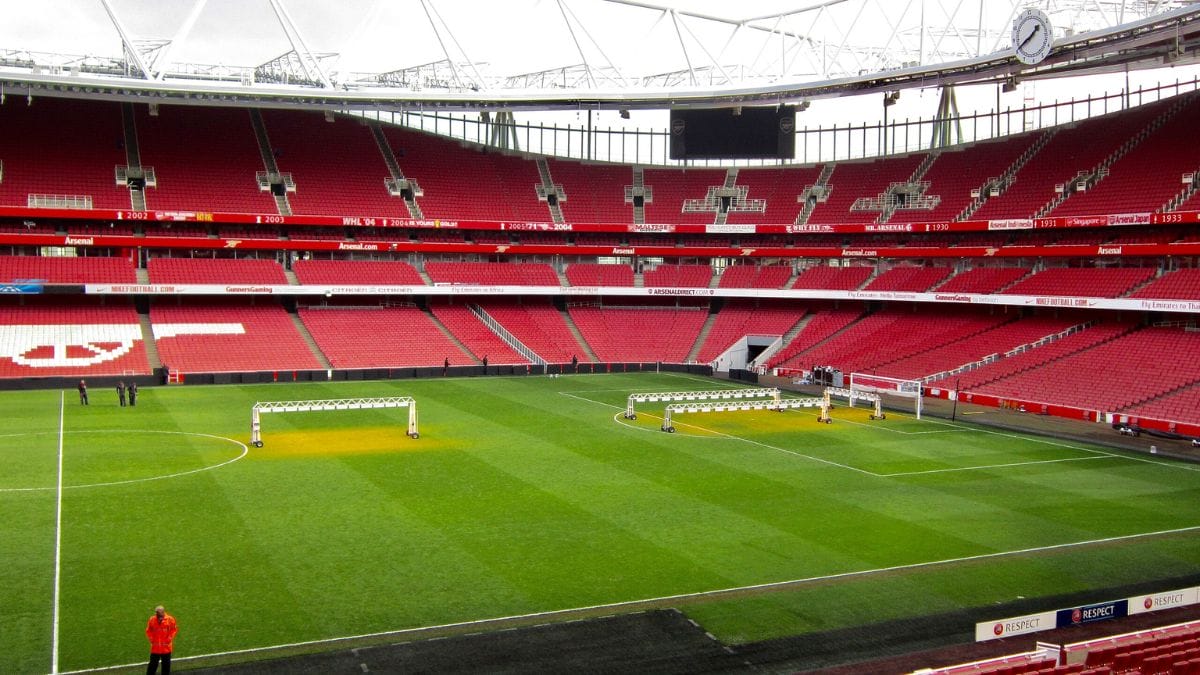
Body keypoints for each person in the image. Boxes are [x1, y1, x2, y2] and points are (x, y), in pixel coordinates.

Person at [145, 605, 178, 675]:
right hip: (155, 648)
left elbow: (174, 629)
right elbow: (148, 630)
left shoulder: (170, 619)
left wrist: (169, 638)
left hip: (166, 648)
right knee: (152, 665)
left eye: (158, 613)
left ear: (163, 612)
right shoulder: (152, 619)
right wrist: (151, 639)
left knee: (166, 666)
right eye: (156, 613)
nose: (156, 614)